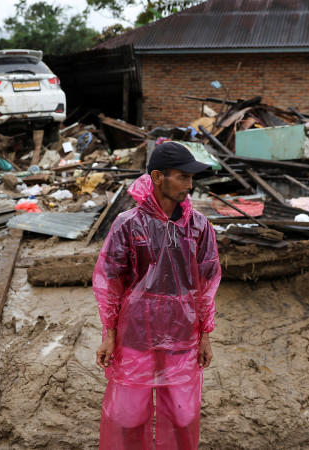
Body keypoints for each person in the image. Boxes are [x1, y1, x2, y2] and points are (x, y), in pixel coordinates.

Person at [93, 141, 222, 449]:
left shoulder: (199, 226)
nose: (190, 185)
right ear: (158, 176)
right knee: (128, 413)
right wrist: (109, 334)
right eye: (183, 177)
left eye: (192, 178)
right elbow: (110, 284)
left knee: (182, 411)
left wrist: (205, 334)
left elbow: (207, 286)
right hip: (136, 332)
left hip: (182, 334)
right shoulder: (128, 225)